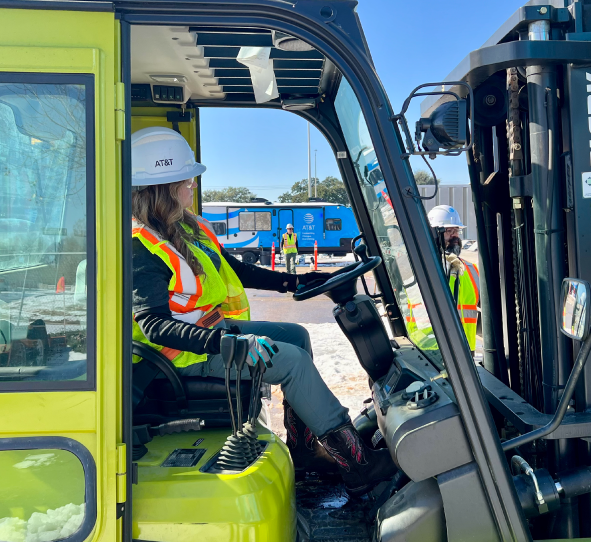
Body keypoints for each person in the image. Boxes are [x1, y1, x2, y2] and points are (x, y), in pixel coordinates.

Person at [130, 127, 396, 493]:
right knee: (292, 362)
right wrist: (225, 343)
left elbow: (236, 269)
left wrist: (294, 281)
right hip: (183, 355)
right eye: (187, 180)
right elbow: (154, 326)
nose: (193, 185)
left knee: (297, 336)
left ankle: (304, 450)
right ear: (165, 188)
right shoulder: (141, 246)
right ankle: (357, 464)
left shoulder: (188, 228)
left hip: (215, 334)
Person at [426, 205, 480, 352]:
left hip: (465, 351)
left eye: (457, 230)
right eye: (449, 231)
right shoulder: (424, 268)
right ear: (434, 234)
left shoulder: (470, 269)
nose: (455, 236)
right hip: (430, 350)